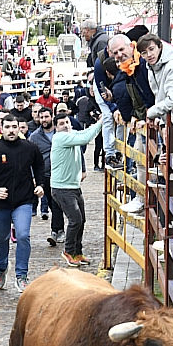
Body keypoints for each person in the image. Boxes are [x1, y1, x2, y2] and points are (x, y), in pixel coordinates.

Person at [0, 115, 46, 292]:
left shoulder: (30, 148)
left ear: (20, 128)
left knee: (23, 235)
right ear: (1, 128)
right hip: (0, 202)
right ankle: (2, 268)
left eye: (14, 127)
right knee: (2, 238)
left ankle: (21, 275)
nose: (11, 130)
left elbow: (39, 167)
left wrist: (40, 185)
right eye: (7, 127)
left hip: (24, 200)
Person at [50, 113, 103, 267]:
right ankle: (68, 251)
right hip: (62, 188)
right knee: (75, 220)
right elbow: (85, 138)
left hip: (74, 186)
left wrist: (97, 123)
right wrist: (101, 121)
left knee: (81, 220)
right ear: (56, 127)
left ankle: (77, 253)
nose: (65, 125)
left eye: (67, 122)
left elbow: (83, 133)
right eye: (61, 123)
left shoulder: (71, 134)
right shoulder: (60, 137)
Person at [27, 106, 65, 246]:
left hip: (62, 174)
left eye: (46, 117)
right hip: (45, 175)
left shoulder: (61, 132)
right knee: (52, 203)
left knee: (57, 203)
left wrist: (82, 169)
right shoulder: (35, 137)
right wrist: (33, 177)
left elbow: (77, 149)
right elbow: (30, 159)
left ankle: (57, 230)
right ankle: (58, 230)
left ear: (52, 117)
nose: (44, 120)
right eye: (41, 117)